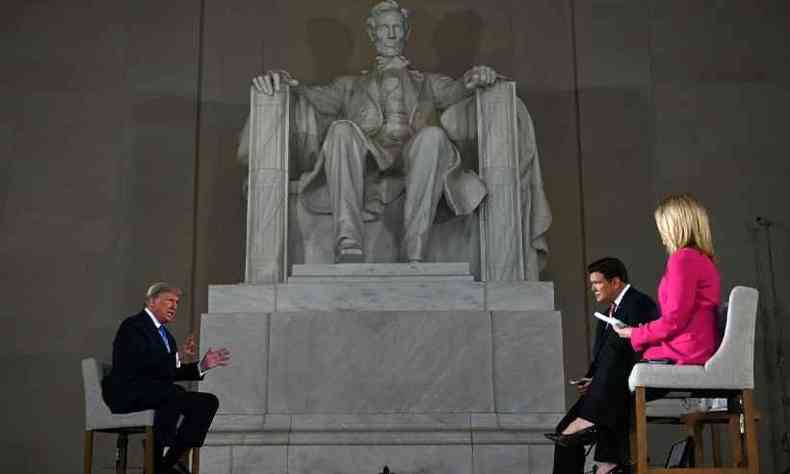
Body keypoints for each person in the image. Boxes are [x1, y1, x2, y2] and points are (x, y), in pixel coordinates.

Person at [248, 0, 551, 268]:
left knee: (433, 137)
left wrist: (480, 76)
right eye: (384, 28)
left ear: (406, 34)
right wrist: (285, 82)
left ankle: (414, 245)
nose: (391, 34)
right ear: (372, 34)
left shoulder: (429, 83)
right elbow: (313, 97)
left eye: (396, 28)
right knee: (341, 130)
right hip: (367, 157)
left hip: (416, 155)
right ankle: (348, 240)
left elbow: (461, 89)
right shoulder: (349, 85)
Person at [102, 283, 231, 474]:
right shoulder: (133, 325)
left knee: (207, 402)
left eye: (177, 302)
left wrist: (202, 365)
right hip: (129, 392)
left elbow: (170, 371)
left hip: (158, 393)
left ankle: (164, 464)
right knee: (173, 394)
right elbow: (140, 361)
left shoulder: (167, 337)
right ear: (152, 301)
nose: (174, 306)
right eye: (169, 300)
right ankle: (156, 460)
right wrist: (176, 356)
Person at [547, 258, 658, 474]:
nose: (593, 289)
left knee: (583, 427)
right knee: (563, 434)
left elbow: (636, 351)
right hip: (604, 388)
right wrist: (591, 379)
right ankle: (608, 461)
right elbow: (602, 360)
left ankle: (607, 458)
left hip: (628, 385)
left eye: (597, 283)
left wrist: (601, 381)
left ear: (615, 282)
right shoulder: (605, 315)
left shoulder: (639, 303)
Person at [614, 194, 721, 365]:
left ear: (676, 228)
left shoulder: (683, 259)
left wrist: (635, 333)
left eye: (663, 228)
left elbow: (674, 319)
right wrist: (641, 332)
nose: (662, 236)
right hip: (698, 345)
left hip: (686, 350)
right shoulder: (702, 259)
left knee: (621, 363)